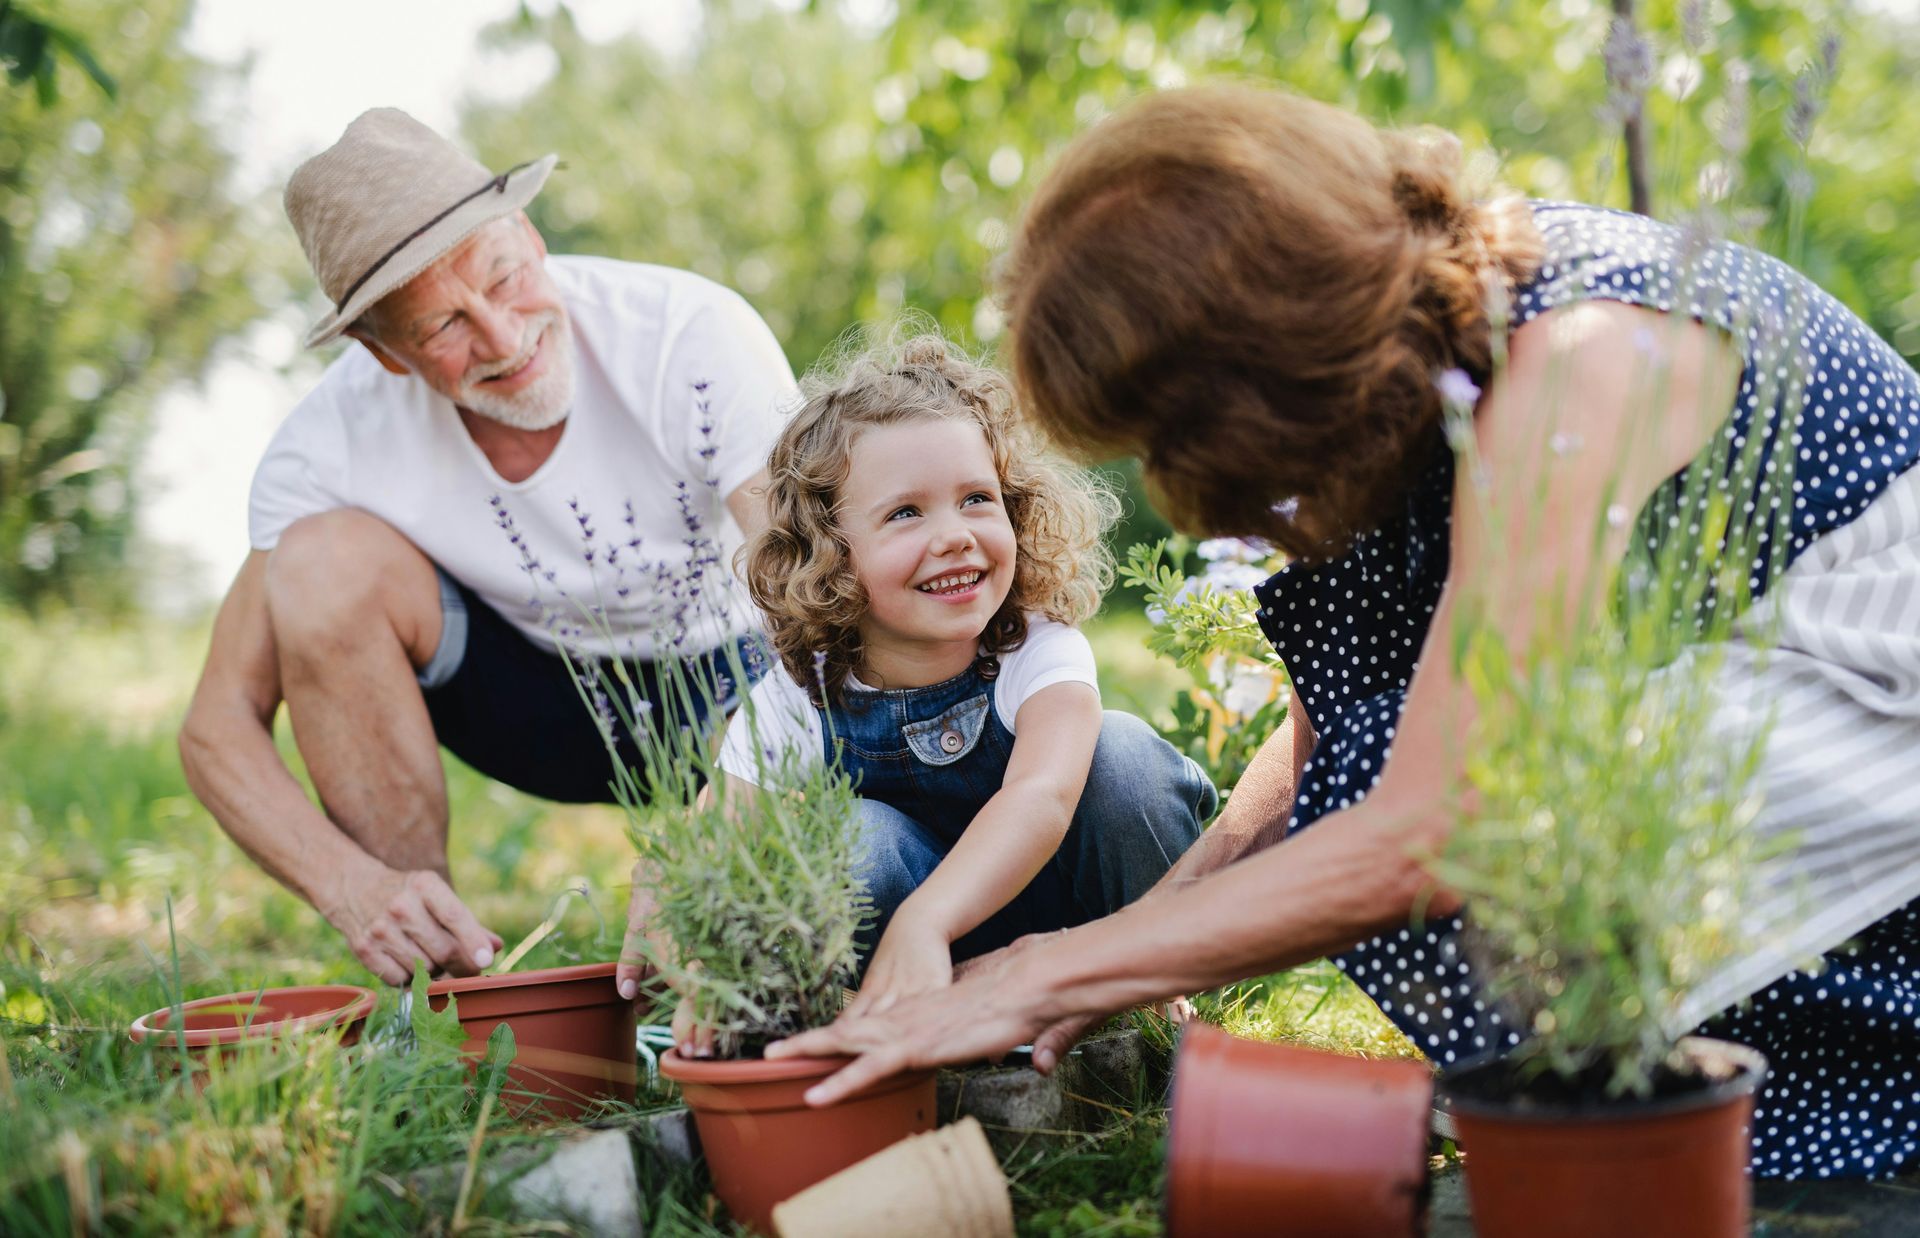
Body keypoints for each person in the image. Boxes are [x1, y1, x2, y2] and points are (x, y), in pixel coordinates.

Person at [766, 86, 1920, 1179]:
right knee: (1372, 765)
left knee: (1471, 821)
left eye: (1166, 432)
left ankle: (1752, 1104)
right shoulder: (1424, 370)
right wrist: (1136, 939)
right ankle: (1645, 1112)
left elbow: (1432, 822)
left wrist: (1036, 971)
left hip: (1876, 702)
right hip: (1751, 719)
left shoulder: (1573, 364)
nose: (1173, 482)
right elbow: (1329, 743)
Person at [178, 109, 797, 987]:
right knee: (316, 565)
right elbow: (215, 729)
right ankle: (433, 987)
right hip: (532, 702)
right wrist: (351, 887)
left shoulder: (691, 334)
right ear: (383, 352)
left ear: (532, 238)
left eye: (503, 278)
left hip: (734, 680)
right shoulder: (326, 444)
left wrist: (728, 808)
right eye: (442, 327)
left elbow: (828, 610)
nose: (504, 340)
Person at [616, 332, 1217, 1042]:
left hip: (1073, 927)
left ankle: (1146, 985)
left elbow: (1042, 796)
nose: (956, 534)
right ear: (832, 554)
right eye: (907, 513)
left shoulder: (1037, 646)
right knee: (848, 843)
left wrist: (931, 917)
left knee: (1125, 763)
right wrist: (700, 942)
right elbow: (729, 838)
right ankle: (907, 1019)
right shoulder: (803, 689)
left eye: (976, 500)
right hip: (914, 964)